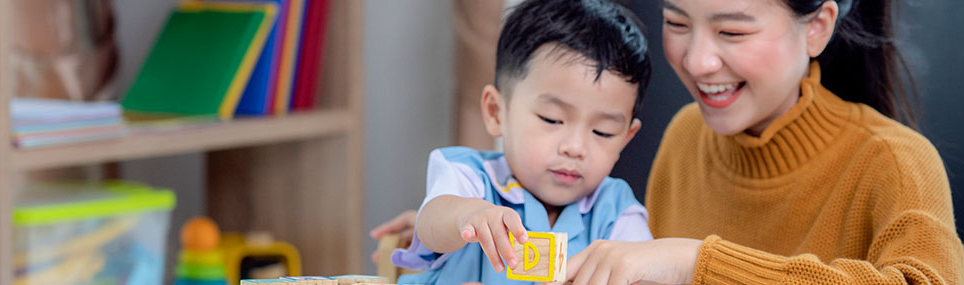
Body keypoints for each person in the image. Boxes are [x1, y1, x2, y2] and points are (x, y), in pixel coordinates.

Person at [376, 0, 964, 284]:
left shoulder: (896, 163)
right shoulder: (687, 139)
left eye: (732, 30)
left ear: (817, 26)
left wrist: (695, 261)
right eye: (678, 23)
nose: (697, 59)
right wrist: (455, 224)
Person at [388, 0, 655, 284]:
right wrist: (469, 215)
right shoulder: (472, 178)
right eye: (552, 119)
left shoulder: (617, 213)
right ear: (495, 112)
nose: (575, 148)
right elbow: (431, 223)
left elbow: (644, 271)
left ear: (625, 139)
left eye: (602, 132)